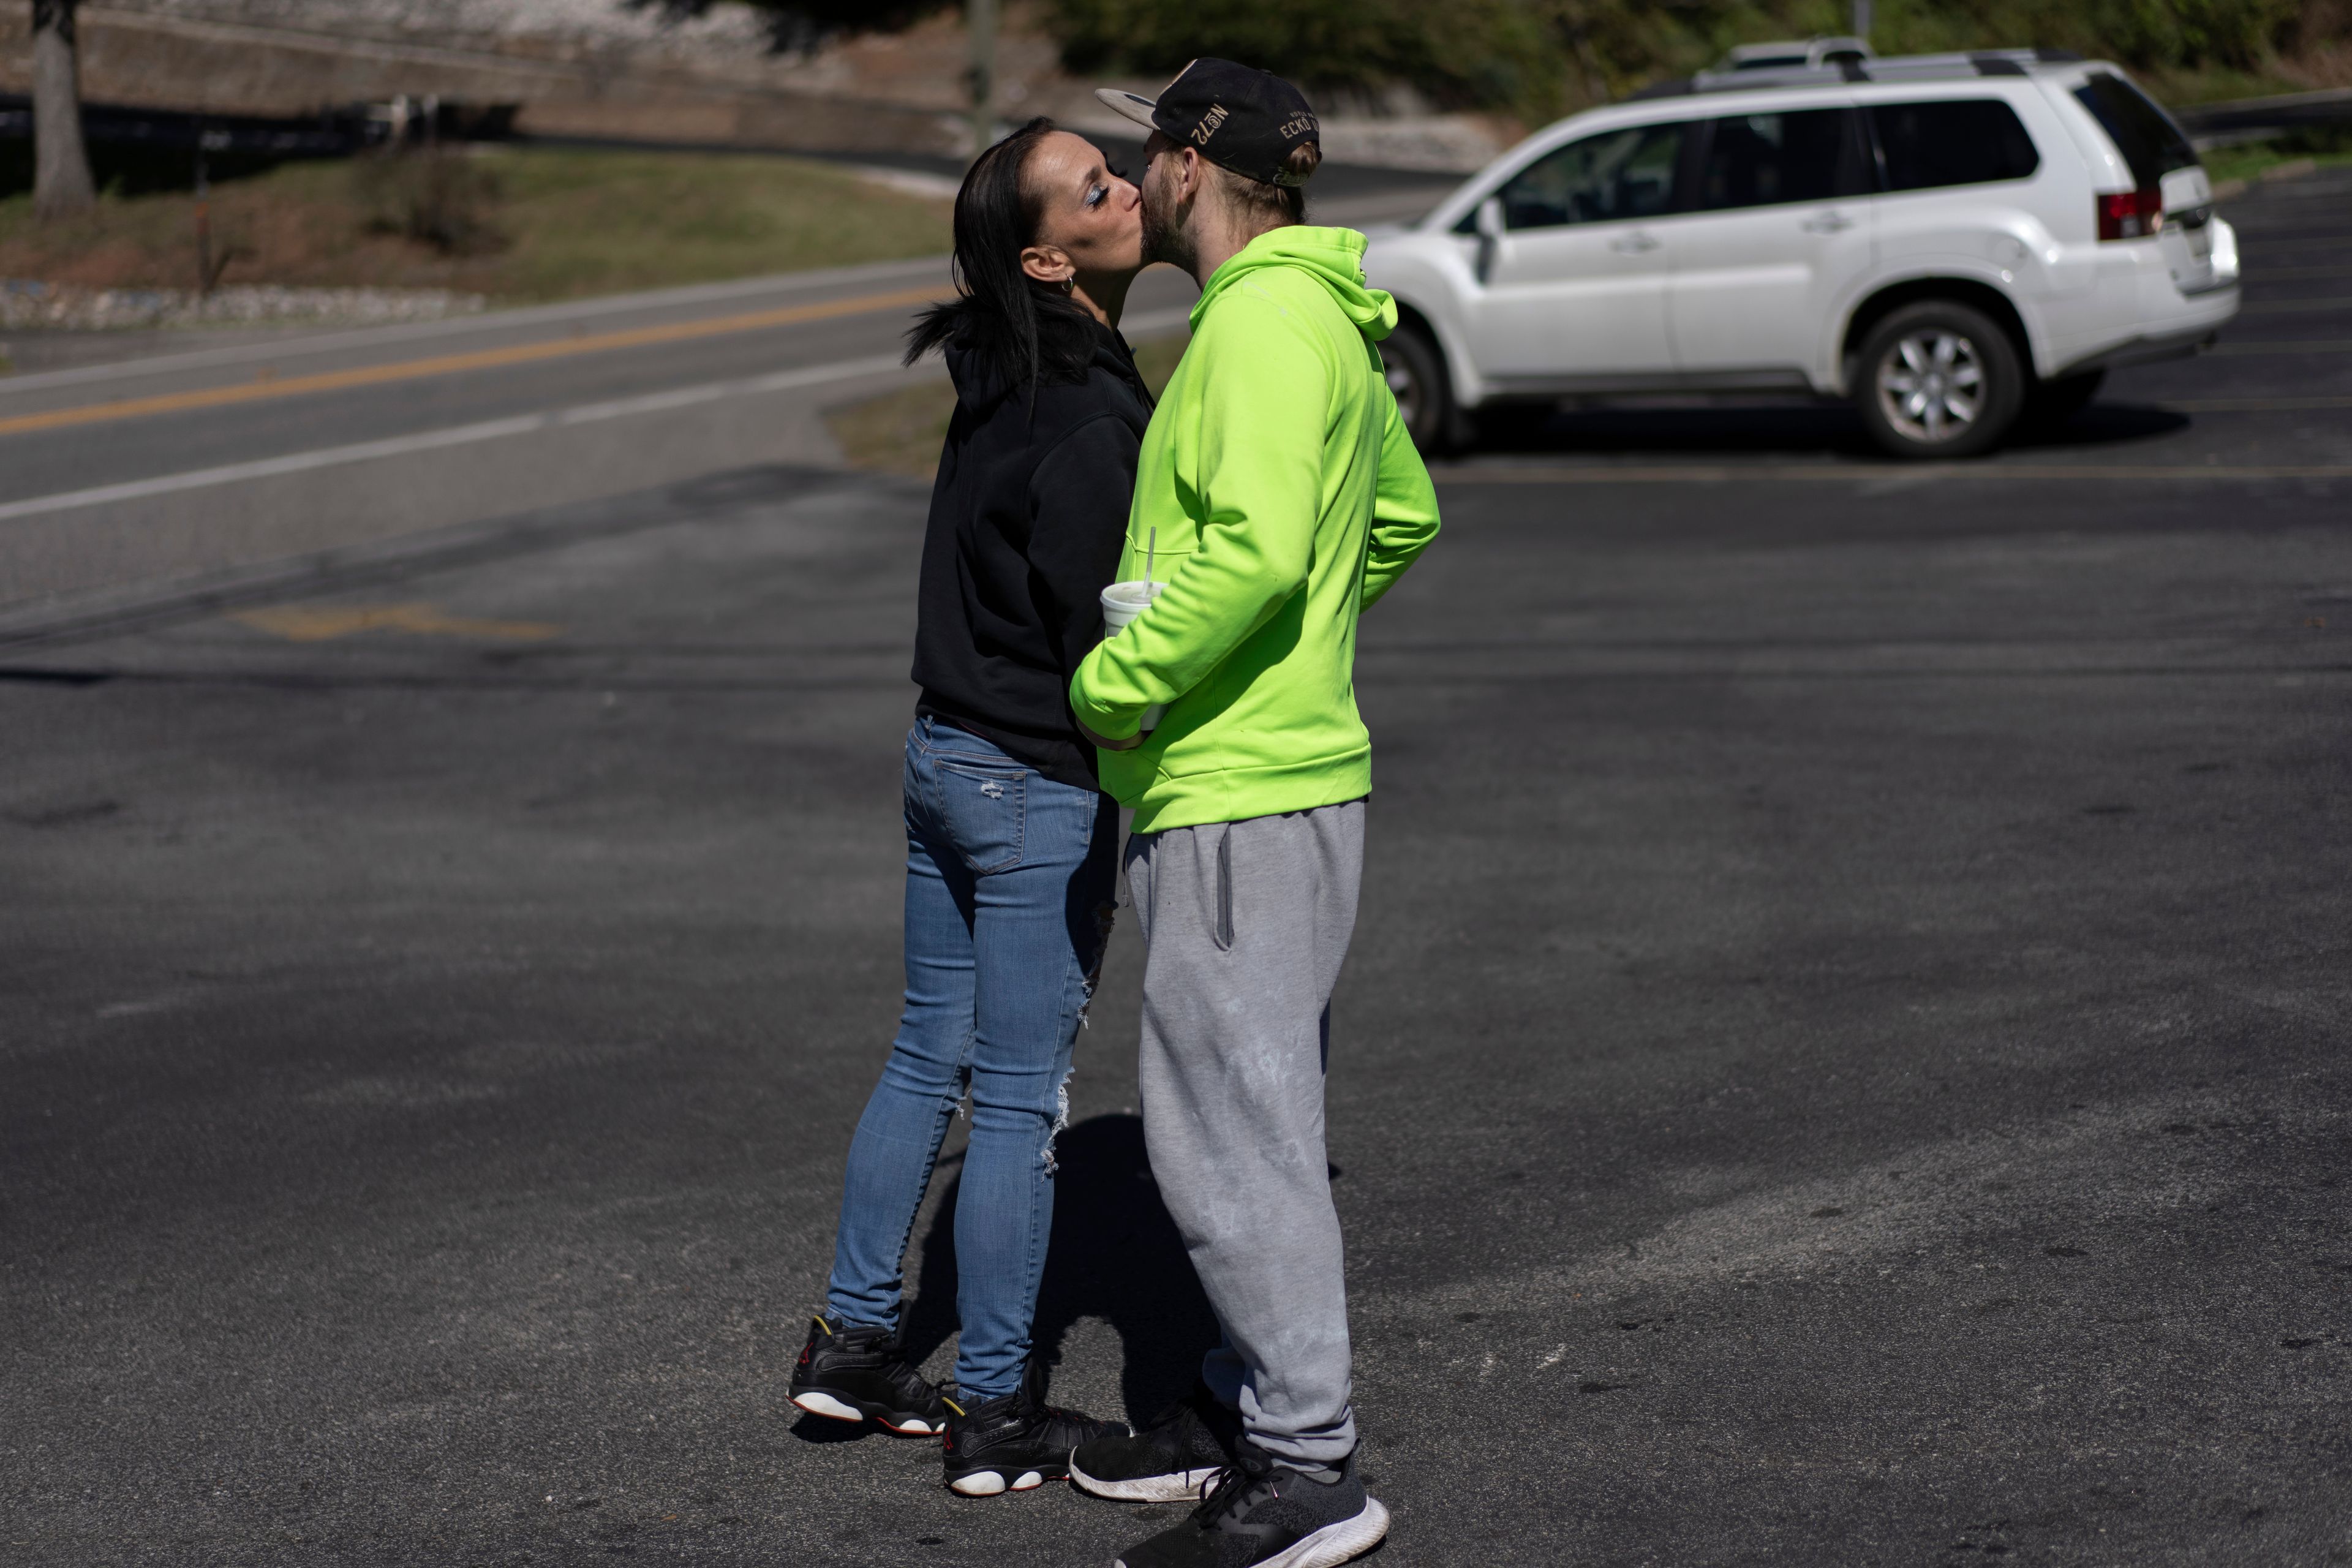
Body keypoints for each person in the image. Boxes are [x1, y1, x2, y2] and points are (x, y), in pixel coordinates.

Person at [1061, 59, 1442, 1568]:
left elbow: (1265, 549)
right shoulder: (1310, 316)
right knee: (1252, 1113)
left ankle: (1308, 1464)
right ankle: (1236, 1405)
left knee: (1234, 1141)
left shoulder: (1266, 324)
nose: (1130, 172)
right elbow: (1398, 514)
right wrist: (1303, 652)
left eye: (1141, 148)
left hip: (1238, 791)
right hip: (1277, 777)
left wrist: (1115, 683)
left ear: (1189, 166)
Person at [787, 116, 1152, 1499]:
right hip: (1025, 786)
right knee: (1016, 1102)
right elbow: (1105, 648)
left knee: (923, 1051)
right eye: (1096, 187)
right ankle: (996, 1409)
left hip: (942, 755)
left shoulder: (999, 367)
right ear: (1050, 255)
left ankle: (856, 1340)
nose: (1128, 188)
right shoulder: (1089, 416)